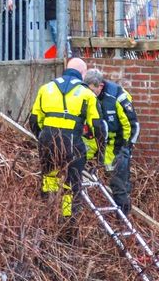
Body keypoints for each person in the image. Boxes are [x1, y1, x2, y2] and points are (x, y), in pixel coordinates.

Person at [28, 58, 106, 239]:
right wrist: (99, 151)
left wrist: (42, 137)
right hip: (72, 143)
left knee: (49, 179)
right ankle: (67, 225)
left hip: (47, 142)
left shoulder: (45, 88)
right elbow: (98, 127)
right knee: (71, 186)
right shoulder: (87, 94)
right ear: (83, 74)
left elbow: (33, 120)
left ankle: (47, 217)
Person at [82, 69, 139, 215]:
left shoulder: (117, 97)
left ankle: (123, 219)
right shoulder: (85, 96)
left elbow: (133, 126)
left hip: (118, 148)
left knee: (119, 186)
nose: (89, 94)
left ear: (100, 86)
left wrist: (127, 148)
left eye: (92, 90)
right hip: (96, 146)